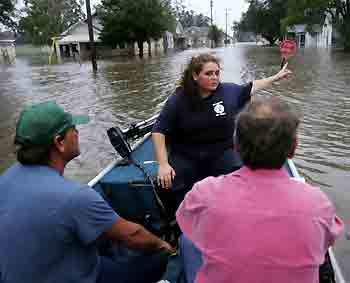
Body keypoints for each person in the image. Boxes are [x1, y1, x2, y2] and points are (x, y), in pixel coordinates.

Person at [0, 101, 174, 283]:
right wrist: (163, 244)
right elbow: (133, 235)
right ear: (59, 142)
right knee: (158, 258)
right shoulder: (74, 196)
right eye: (73, 129)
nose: (77, 133)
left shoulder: (5, 179)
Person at [176, 97, 344, 283]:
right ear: (293, 148)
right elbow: (328, 240)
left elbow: (187, 224)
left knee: (186, 241)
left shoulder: (204, 193)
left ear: (236, 146)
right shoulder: (318, 203)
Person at [152, 53, 292, 212]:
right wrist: (163, 164)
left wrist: (277, 77)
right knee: (167, 182)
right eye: (208, 73)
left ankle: (236, 212)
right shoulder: (178, 99)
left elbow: (252, 86)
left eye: (217, 73)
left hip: (221, 151)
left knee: (243, 174)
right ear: (195, 76)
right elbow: (158, 130)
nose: (214, 77)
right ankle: (177, 218)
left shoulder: (229, 91)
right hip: (187, 154)